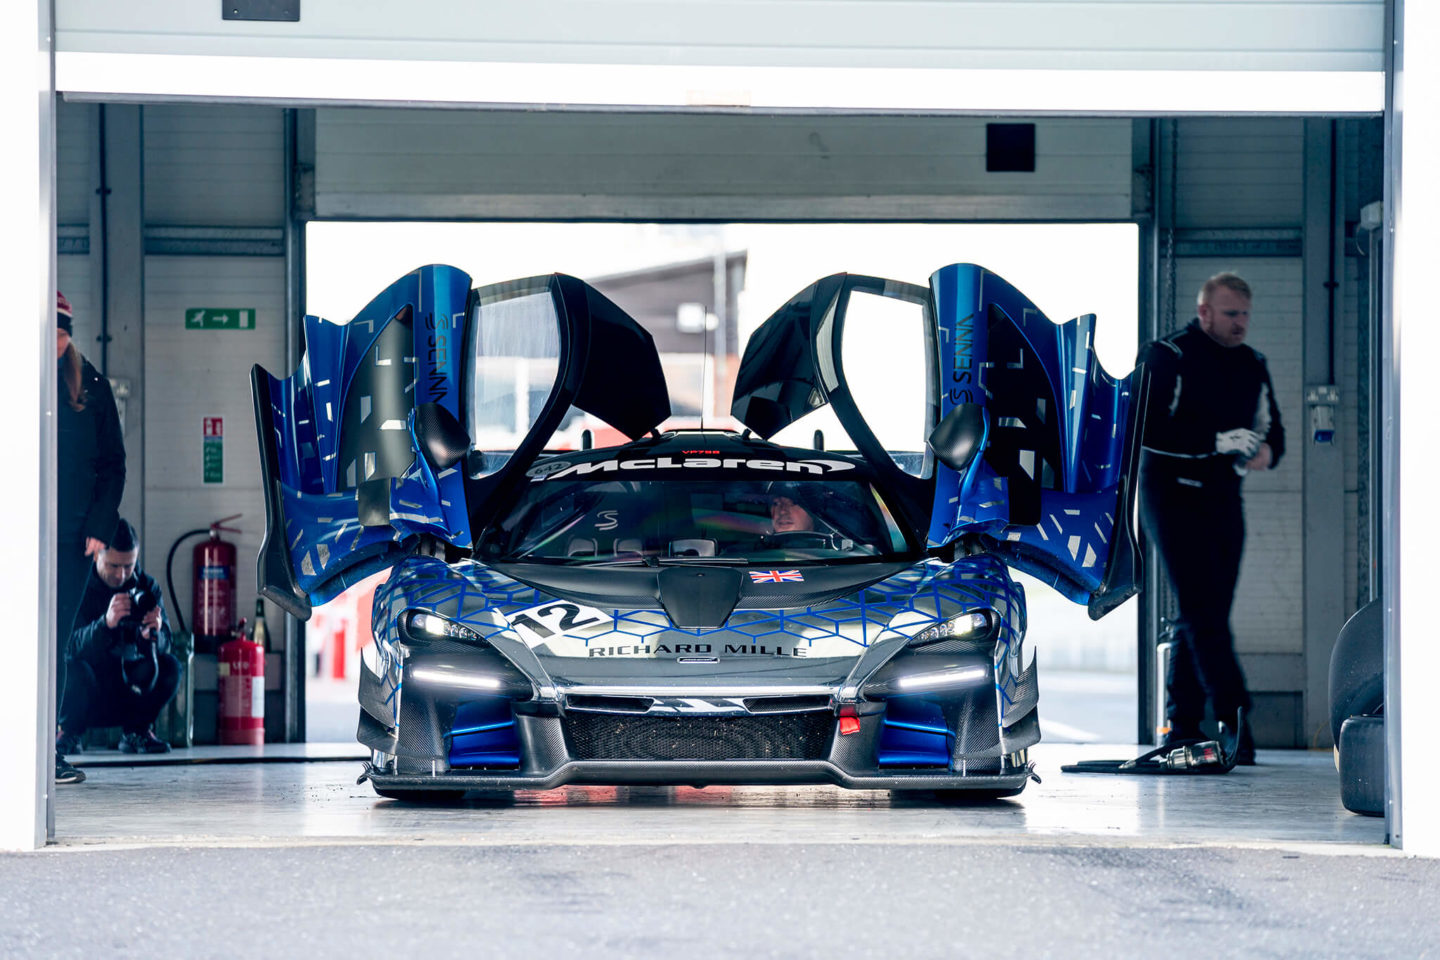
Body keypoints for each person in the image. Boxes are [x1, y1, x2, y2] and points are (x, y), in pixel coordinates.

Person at [1136, 272, 1285, 766]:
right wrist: (1215, 441)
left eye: (1245, 314)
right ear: (1204, 313)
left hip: (1223, 498)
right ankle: (1236, 721)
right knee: (1203, 613)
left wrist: (1257, 453)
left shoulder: (1252, 364)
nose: (1240, 323)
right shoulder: (1167, 355)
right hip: (1171, 495)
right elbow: (1145, 428)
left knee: (1200, 616)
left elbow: (1275, 437)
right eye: (1230, 314)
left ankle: (1182, 727)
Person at [54, 291, 127, 783]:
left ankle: (46, 752)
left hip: (73, 538)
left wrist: (100, 528)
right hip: (19, 537)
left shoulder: (92, 387)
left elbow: (112, 465)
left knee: (52, 641)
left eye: (60, 336)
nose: (54, 345)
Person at [57, 519, 179, 755]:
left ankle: (138, 732)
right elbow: (66, 647)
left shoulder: (147, 586)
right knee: (69, 668)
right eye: (113, 566)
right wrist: (104, 624)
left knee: (171, 666)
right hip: (87, 692)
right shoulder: (77, 586)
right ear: (96, 556)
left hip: (130, 688)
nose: (121, 575)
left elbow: (168, 643)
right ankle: (68, 732)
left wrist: (154, 635)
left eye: (129, 566)